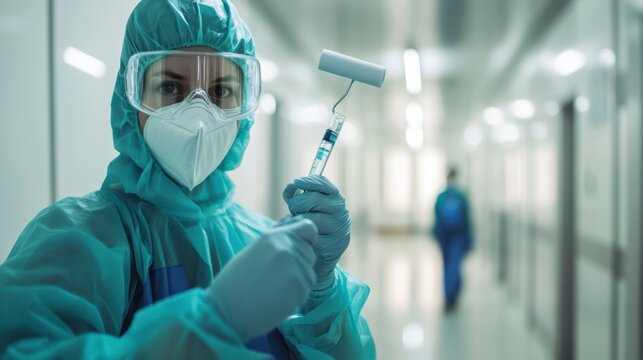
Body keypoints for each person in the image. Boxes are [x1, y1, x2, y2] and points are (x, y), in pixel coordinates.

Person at [0, 1, 375, 358]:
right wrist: (211, 322)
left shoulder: (262, 242)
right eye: (169, 88)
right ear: (130, 99)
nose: (199, 115)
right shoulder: (78, 241)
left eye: (220, 92)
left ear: (243, 109)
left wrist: (321, 292)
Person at [432, 167, 473, 312]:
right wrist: (469, 240)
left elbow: (436, 219)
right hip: (457, 238)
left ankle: (449, 297)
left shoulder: (441, 196)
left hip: (445, 239)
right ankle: (452, 297)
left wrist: (436, 236)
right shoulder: (461, 196)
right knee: (455, 267)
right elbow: (467, 220)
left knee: (447, 267)